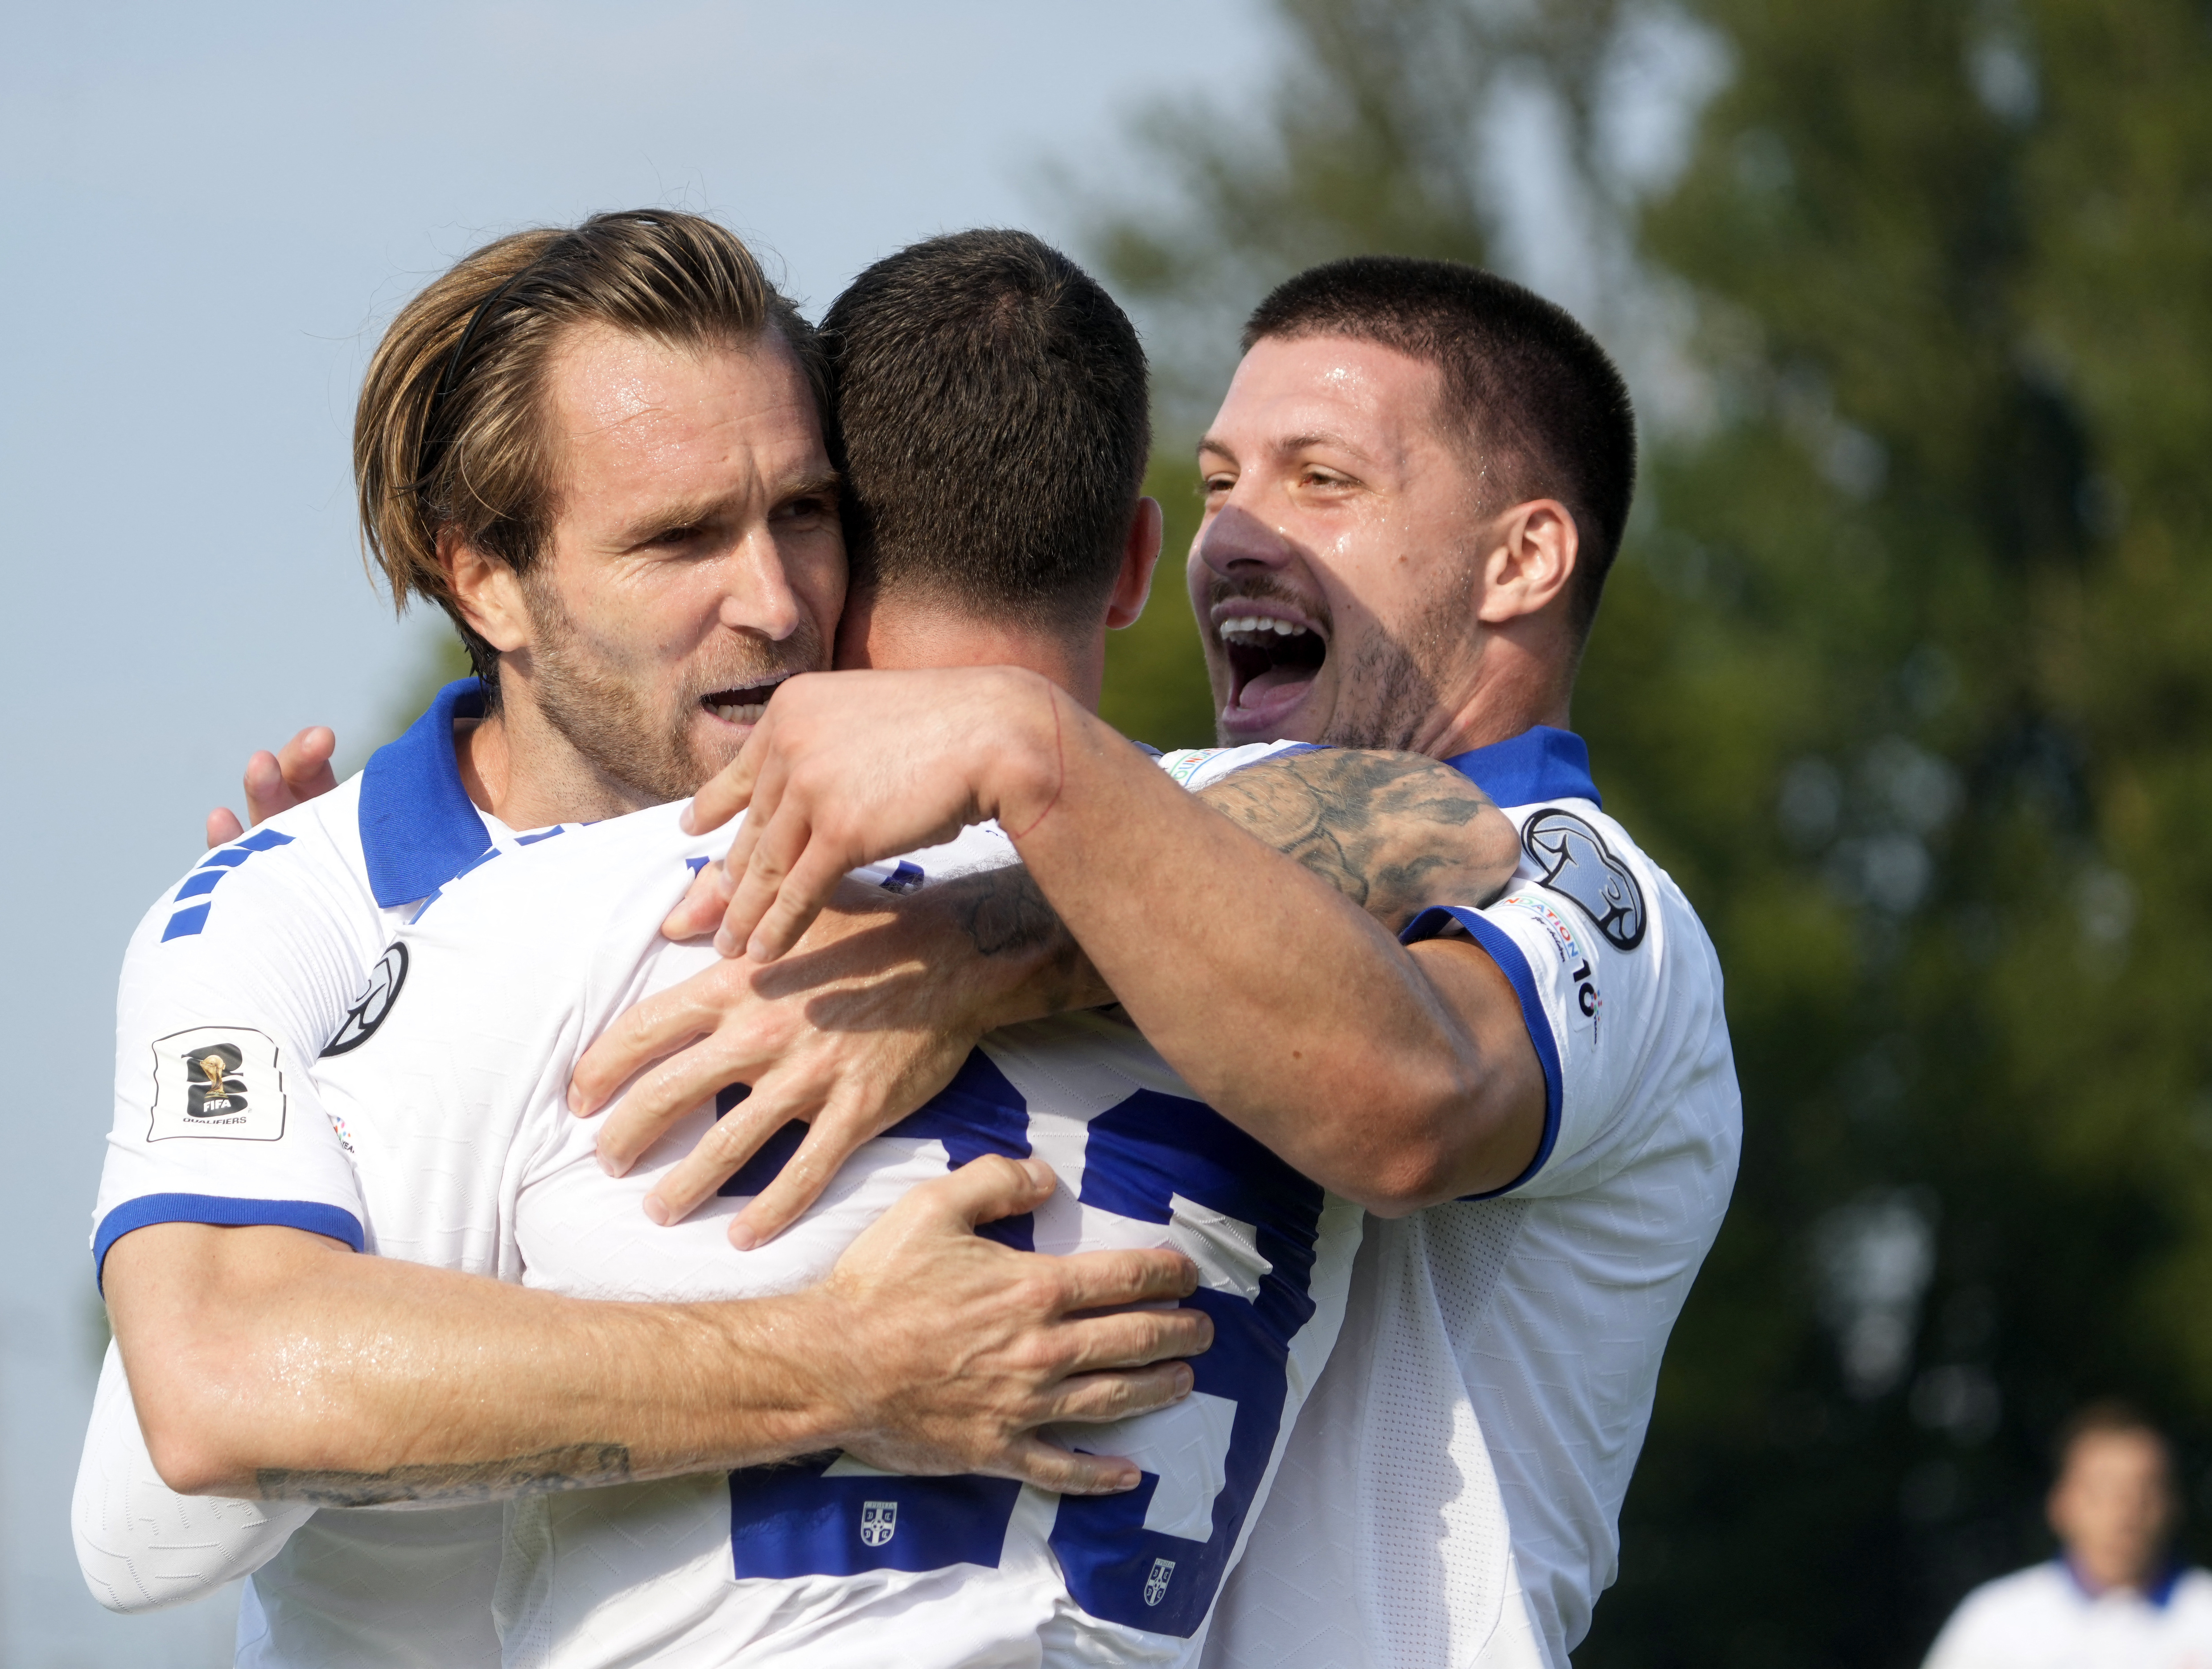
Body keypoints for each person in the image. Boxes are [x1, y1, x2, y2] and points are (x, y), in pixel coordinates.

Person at [78, 218, 1521, 1661]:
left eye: (804, 513)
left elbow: (1435, 825)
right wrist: (844, 1365)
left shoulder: (938, 823)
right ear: (485, 580)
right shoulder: (295, 913)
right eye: (679, 539)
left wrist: (978, 950)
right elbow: (191, 1427)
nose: (775, 603)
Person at [580, 256, 1745, 1666]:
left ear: (1522, 559)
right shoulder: (1156, 827)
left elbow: (1408, 1093)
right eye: (1216, 482)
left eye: (1322, 480)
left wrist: (968, 943)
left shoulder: (1600, 894)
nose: (1235, 536)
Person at [1923, 1402, 2212, 1669]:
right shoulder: (1994, 1624)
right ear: (2060, 1503)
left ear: (2173, 1504)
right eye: (2101, 1492)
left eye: (2143, 1493)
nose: (2123, 1514)